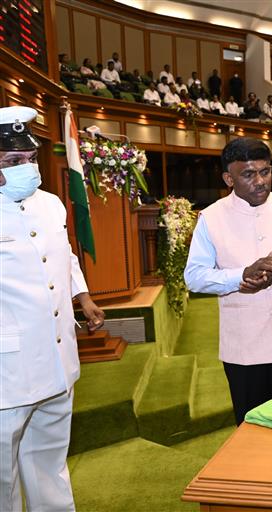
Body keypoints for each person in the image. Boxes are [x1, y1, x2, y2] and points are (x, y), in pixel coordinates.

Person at [0, 106, 105, 511]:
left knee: (49, 464)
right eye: (13, 161)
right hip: (9, 371)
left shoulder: (51, 204)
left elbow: (62, 255)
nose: (27, 168)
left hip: (58, 360)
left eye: (30, 159)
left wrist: (83, 296)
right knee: (2, 478)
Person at [184, 137, 272, 425]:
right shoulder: (211, 218)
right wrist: (241, 276)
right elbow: (194, 277)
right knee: (250, 429)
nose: (260, 181)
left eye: (265, 171)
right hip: (243, 347)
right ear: (229, 178)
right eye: (248, 174)